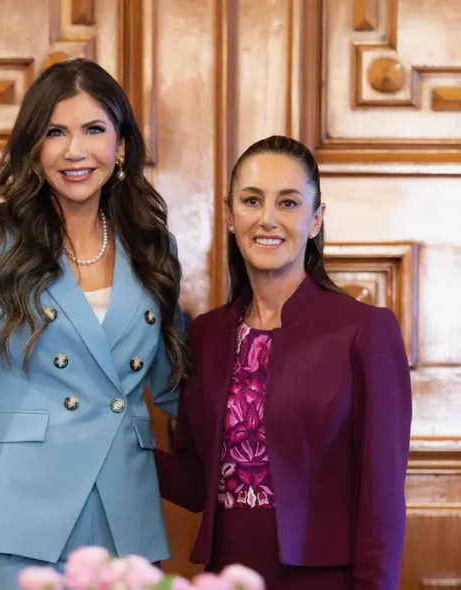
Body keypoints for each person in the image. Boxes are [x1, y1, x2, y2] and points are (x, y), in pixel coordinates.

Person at [0, 58, 191, 590]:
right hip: (16, 520)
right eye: (55, 132)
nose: (75, 151)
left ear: (119, 145)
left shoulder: (150, 244)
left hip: (125, 518)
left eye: (94, 130)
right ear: (34, 147)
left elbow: (174, 389)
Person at [154, 135, 412, 589]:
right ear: (231, 215)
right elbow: (197, 483)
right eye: (252, 201)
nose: (268, 219)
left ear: (316, 220)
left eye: (288, 203)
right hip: (225, 576)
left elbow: (382, 501)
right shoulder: (208, 334)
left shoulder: (366, 331)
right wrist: (114, 439)